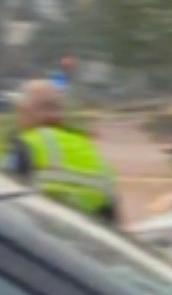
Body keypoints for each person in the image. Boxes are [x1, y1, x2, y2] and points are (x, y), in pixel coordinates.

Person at [8, 77, 119, 221]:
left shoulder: (26, 145)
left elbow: (6, 207)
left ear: (25, 111)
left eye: (21, 112)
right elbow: (112, 221)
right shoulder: (89, 149)